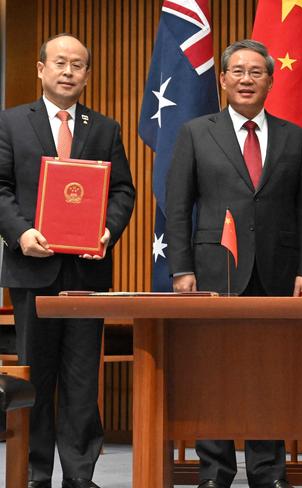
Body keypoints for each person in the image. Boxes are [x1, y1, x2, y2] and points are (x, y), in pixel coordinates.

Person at [165, 39, 302, 488]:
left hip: (277, 273)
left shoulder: (295, 137)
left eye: (256, 72)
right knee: (212, 371)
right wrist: (181, 268)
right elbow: (178, 207)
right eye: (238, 71)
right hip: (214, 273)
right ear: (223, 79)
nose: (246, 79)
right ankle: (215, 470)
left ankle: (268, 471)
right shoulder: (197, 132)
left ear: (270, 80)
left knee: (269, 374)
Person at [0, 33, 135, 488]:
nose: (68, 72)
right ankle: (37, 474)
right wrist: (21, 233)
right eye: (59, 63)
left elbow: (122, 192)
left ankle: (80, 476)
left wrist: (108, 230)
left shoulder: (105, 129)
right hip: (31, 269)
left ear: (87, 75)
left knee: (81, 382)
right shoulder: (11, 122)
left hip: (85, 273)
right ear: (40, 69)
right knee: (35, 379)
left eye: (78, 65)